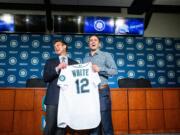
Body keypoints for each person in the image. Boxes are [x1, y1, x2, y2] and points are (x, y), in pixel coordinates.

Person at [83, 35, 118, 135]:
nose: (93, 42)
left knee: (105, 121)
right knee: (93, 121)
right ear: (88, 43)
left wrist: (100, 69)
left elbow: (114, 71)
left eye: (95, 40)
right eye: (91, 40)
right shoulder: (85, 58)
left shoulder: (106, 55)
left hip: (102, 91)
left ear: (99, 43)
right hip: (89, 93)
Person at [43, 40, 78, 135]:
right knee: (49, 126)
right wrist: (57, 68)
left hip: (68, 100)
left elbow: (77, 82)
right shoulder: (50, 62)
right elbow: (45, 78)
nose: (56, 47)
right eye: (54, 46)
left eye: (58, 45)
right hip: (53, 99)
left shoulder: (74, 63)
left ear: (64, 46)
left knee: (61, 128)